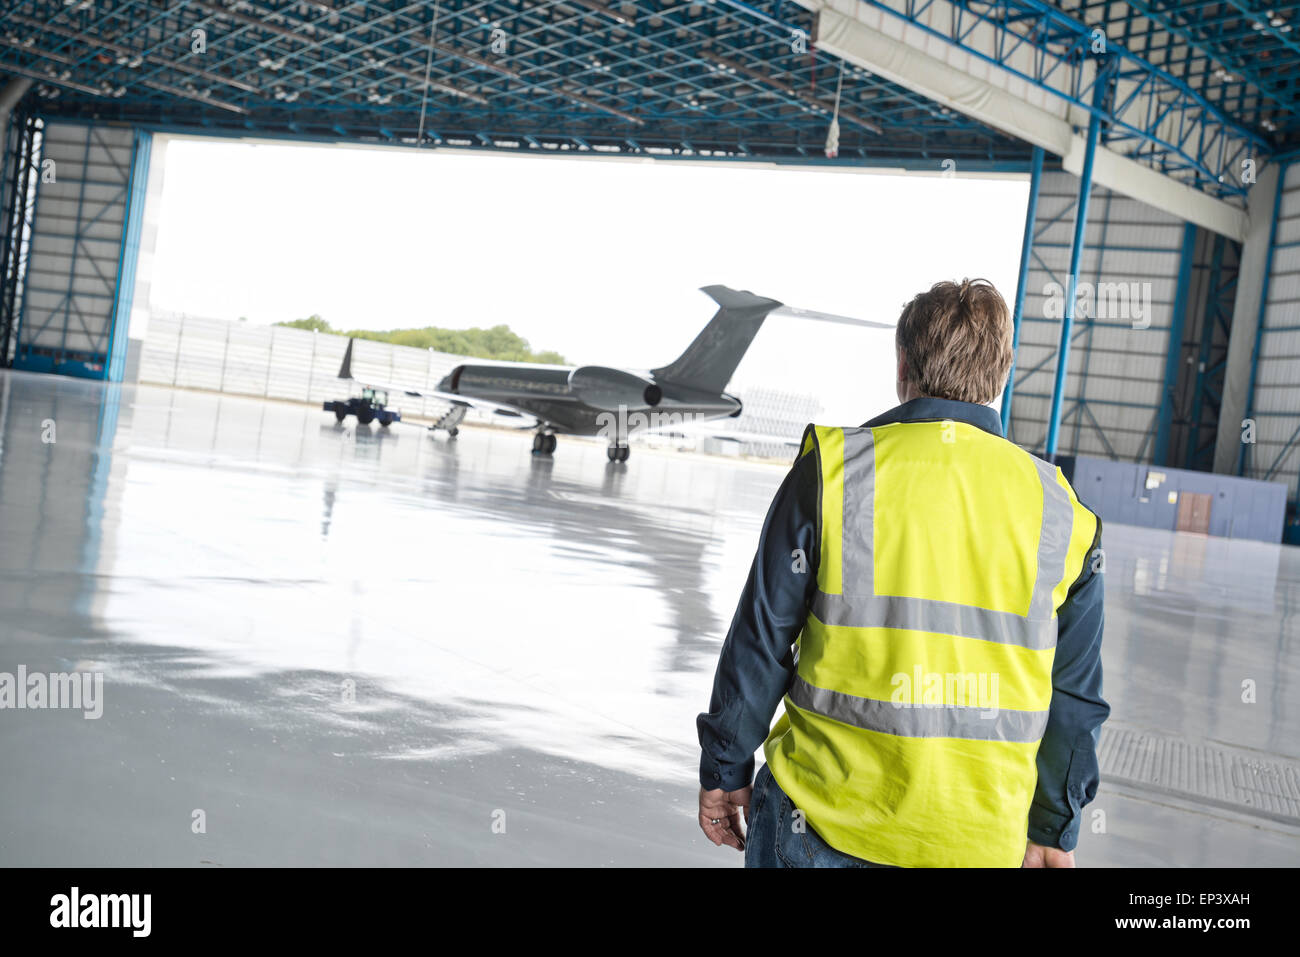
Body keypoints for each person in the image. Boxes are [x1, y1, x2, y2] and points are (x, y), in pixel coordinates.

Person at [695, 279, 1108, 868]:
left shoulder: (834, 471)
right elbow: (1074, 697)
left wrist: (725, 766)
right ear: (1003, 373)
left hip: (818, 822)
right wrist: (1052, 827)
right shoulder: (1065, 514)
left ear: (902, 364)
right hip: (977, 840)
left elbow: (760, 640)